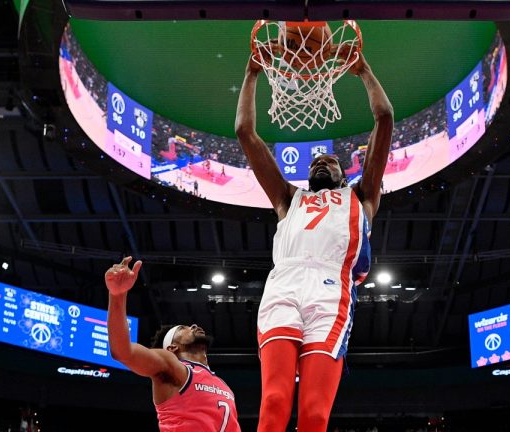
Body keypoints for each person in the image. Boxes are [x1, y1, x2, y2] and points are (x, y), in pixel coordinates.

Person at [235, 46, 393, 432]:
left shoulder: (362, 196)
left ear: (344, 173)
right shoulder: (288, 198)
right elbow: (244, 132)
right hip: (284, 284)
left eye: (331, 160)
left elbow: (385, 119)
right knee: (273, 403)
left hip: (330, 290)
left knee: (314, 414)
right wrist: (252, 73)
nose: (321, 161)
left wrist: (365, 70)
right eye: (314, 161)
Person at [105, 257, 241, 432]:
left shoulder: (224, 385)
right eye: (183, 328)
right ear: (172, 347)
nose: (193, 325)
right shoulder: (173, 366)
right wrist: (117, 295)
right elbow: (123, 352)